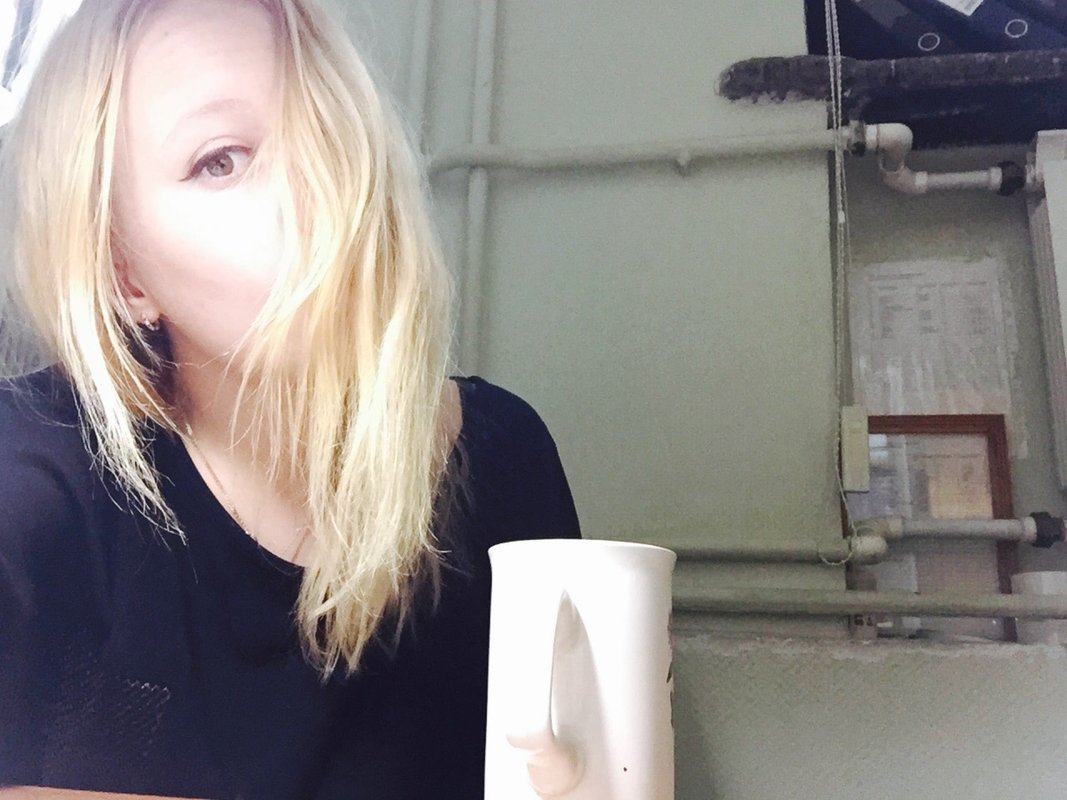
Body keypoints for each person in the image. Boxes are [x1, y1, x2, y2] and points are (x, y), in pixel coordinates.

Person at [0, 0, 581, 797]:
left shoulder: (503, 453)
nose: (325, 186)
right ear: (123, 274)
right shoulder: (30, 473)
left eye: (329, 130)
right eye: (219, 160)